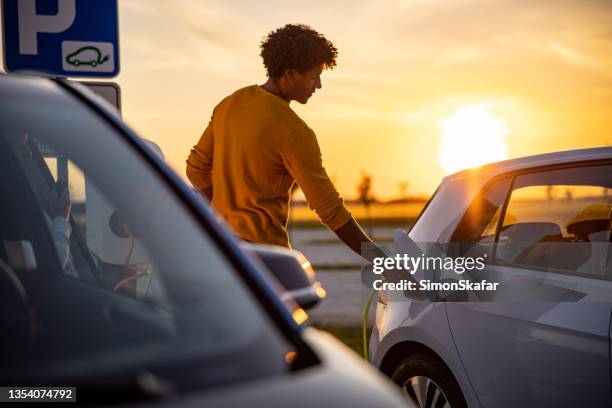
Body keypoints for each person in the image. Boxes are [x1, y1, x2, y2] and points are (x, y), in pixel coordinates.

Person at [186, 24, 379, 259]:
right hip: (266, 257)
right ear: (289, 74)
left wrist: (222, 214)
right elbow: (331, 210)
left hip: (221, 249)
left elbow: (195, 169)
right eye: (314, 77)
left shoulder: (230, 104)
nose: (318, 86)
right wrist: (384, 263)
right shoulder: (294, 131)